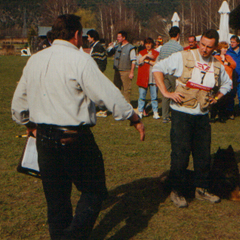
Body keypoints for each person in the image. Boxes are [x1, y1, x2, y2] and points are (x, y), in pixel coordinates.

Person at [11, 14, 145, 240]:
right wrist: (133, 116)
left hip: (43, 138)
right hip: (73, 137)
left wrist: (29, 124)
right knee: (94, 191)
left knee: (56, 200)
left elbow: (18, 105)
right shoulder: (80, 59)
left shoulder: (35, 59)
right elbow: (108, 94)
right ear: (76, 35)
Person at [153, 29, 232, 208]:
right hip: (181, 114)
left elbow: (228, 83)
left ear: (215, 47)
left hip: (202, 115)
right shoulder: (183, 56)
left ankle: (202, 189)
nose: (204, 49)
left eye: (209, 47)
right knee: (180, 155)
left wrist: (217, 98)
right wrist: (166, 92)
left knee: (203, 155)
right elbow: (157, 68)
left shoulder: (217, 64)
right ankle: (177, 191)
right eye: (202, 44)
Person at [158, 26, 183, 123]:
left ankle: (165, 116)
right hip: (174, 73)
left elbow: (160, 60)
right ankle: (178, 114)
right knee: (178, 93)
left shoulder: (163, 47)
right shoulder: (179, 47)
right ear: (178, 35)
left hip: (165, 72)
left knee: (166, 94)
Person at [108, 31, 136, 103]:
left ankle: (127, 105)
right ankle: (118, 104)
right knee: (116, 89)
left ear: (124, 37)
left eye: (119, 37)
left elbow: (133, 60)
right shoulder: (117, 47)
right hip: (117, 71)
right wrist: (110, 47)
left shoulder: (130, 47)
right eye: (117, 37)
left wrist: (131, 72)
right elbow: (108, 53)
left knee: (126, 90)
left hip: (126, 71)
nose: (117, 38)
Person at [211, 41, 236, 122]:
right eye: (224, 48)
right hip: (218, 82)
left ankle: (222, 116)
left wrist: (227, 63)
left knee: (224, 100)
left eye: (226, 48)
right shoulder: (216, 57)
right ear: (220, 48)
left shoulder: (228, 57)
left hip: (227, 81)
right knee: (216, 98)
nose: (225, 50)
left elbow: (234, 65)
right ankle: (213, 115)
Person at [136, 37, 160, 119]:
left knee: (154, 97)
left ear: (152, 44)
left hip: (153, 78)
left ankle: (155, 112)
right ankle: (140, 111)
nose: (148, 45)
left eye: (149, 44)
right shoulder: (141, 52)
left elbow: (157, 64)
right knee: (142, 96)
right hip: (143, 78)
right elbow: (138, 61)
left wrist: (147, 61)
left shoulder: (156, 53)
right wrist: (146, 55)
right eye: (146, 44)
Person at [87, 29, 108, 117]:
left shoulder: (98, 47)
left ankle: (103, 109)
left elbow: (100, 62)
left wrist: (97, 72)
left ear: (93, 38)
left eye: (88, 37)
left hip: (96, 73)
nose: (87, 39)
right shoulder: (95, 46)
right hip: (94, 73)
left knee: (97, 92)